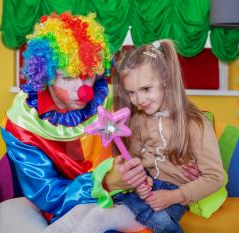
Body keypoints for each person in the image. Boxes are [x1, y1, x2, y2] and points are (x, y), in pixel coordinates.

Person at [0, 12, 148, 233]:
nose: (84, 90)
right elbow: (48, 196)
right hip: (64, 210)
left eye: (88, 75)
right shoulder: (23, 123)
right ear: (45, 76)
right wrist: (105, 182)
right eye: (68, 78)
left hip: (122, 203)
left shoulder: (115, 100)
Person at [71, 40, 224, 233]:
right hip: (139, 193)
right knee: (79, 212)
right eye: (131, 93)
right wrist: (140, 180)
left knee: (98, 217)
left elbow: (215, 177)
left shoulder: (195, 123)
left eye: (146, 89)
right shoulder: (137, 121)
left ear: (166, 79)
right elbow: (135, 162)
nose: (139, 100)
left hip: (170, 199)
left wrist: (175, 196)